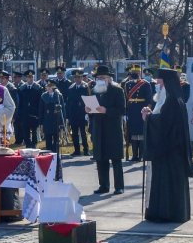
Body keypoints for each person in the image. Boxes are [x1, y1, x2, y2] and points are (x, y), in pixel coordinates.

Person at [142, 68, 193, 222]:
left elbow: (164, 124)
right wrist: (151, 115)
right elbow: (162, 118)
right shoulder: (168, 99)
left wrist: (148, 118)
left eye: (161, 84)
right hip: (169, 150)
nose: (158, 86)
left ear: (167, 84)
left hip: (169, 152)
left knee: (168, 184)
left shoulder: (172, 101)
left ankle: (166, 214)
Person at [87, 65, 125, 195]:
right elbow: (93, 110)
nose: (100, 80)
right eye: (98, 78)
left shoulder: (117, 90)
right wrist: (89, 110)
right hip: (99, 129)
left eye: (102, 77)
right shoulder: (95, 90)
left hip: (113, 130)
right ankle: (103, 185)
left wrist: (107, 110)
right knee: (100, 159)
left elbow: (122, 110)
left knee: (115, 159)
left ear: (109, 78)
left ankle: (119, 186)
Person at [123, 65, 154, 163]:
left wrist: (147, 110)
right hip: (132, 111)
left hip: (141, 111)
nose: (135, 74)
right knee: (133, 133)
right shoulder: (127, 84)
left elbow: (149, 99)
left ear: (140, 73)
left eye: (137, 72)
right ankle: (134, 155)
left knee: (141, 133)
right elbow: (126, 100)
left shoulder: (146, 84)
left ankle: (141, 154)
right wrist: (125, 113)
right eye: (133, 72)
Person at [64, 69, 90, 157]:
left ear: (82, 77)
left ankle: (86, 150)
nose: (77, 79)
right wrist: (68, 115)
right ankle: (77, 150)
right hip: (73, 114)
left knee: (83, 133)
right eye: (75, 77)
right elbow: (68, 103)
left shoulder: (86, 87)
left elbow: (88, 100)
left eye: (79, 77)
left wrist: (87, 114)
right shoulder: (71, 88)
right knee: (74, 133)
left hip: (83, 113)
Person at [40, 79, 65, 154]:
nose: (49, 88)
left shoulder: (59, 96)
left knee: (56, 139)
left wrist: (62, 123)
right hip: (47, 121)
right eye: (48, 86)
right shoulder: (43, 96)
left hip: (56, 121)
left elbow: (62, 109)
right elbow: (41, 110)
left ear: (54, 87)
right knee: (48, 139)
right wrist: (41, 122)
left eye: (51, 86)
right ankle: (49, 154)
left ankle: (56, 154)